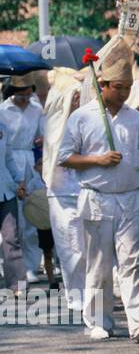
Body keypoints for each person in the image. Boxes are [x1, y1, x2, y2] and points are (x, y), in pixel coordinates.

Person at [56, 40, 139, 343]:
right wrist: (97, 160)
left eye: (127, 88)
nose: (124, 94)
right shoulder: (82, 117)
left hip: (131, 199)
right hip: (96, 198)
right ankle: (98, 320)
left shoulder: (135, 119)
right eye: (119, 87)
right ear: (104, 85)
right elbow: (65, 157)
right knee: (98, 266)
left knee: (134, 262)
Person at [40, 68, 88, 318]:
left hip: (85, 191)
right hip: (61, 193)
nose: (79, 99)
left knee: (89, 248)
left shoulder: (85, 119)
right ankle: (75, 295)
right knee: (71, 248)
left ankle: (92, 294)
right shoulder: (53, 124)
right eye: (74, 96)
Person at [0, 74, 47, 282]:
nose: (26, 100)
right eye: (21, 97)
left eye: (29, 95)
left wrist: (41, 144)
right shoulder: (3, 111)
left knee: (31, 214)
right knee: (12, 220)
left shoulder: (36, 110)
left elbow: (42, 135)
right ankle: (10, 264)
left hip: (29, 161)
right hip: (8, 162)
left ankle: (31, 266)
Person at [0, 110, 28, 292]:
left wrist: (19, 180)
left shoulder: (2, 128)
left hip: (6, 191)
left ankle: (17, 285)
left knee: (12, 238)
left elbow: (8, 159)